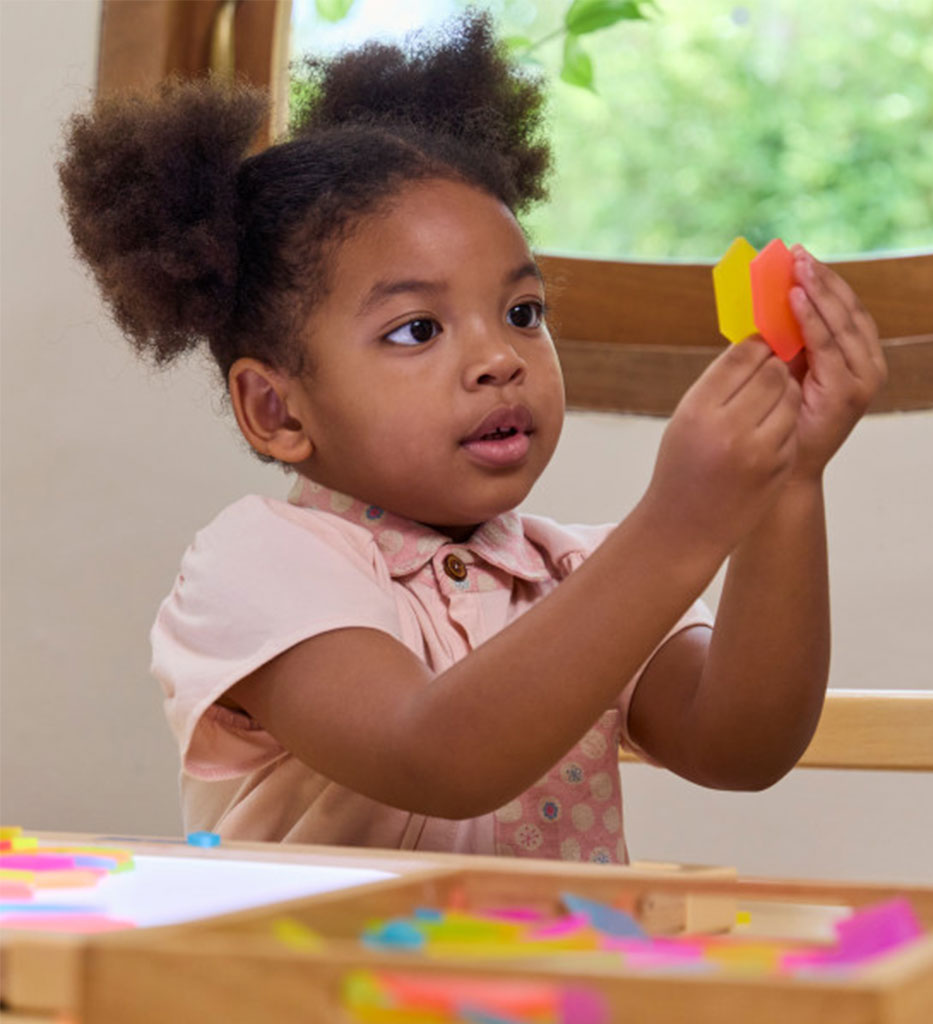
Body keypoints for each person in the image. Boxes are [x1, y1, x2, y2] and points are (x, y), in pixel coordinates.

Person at [58, 13, 885, 862]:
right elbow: (435, 754)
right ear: (277, 410)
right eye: (417, 329)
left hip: (548, 994)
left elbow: (739, 747)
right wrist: (679, 526)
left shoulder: (576, 573)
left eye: (523, 312)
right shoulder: (258, 566)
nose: (499, 358)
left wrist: (790, 483)